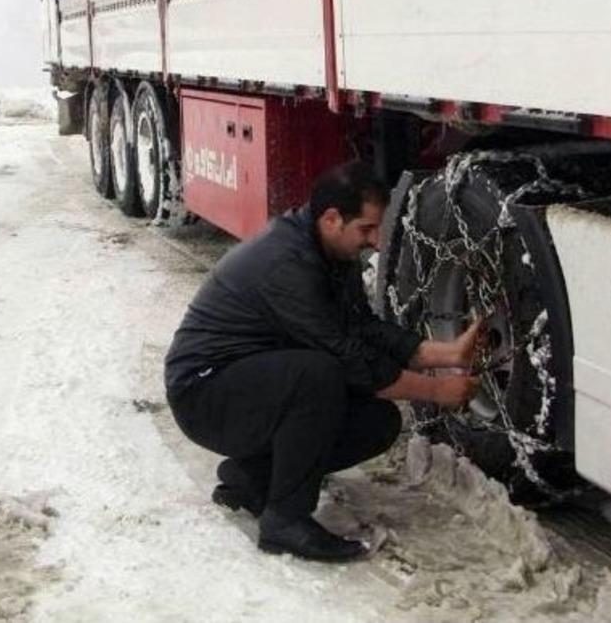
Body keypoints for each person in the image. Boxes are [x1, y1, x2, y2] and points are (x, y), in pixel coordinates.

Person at [165, 161, 481, 562]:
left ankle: (252, 477)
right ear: (332, 219)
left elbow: (361, 328)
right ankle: (285, 521)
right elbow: (349, 357)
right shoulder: (287, 264)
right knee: (320, 374)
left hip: (251, 384)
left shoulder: (329, 251)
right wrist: (437, 390)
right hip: (204, 394)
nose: (377, 242)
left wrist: (445, 353)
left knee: (378, 422)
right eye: (366, 229)